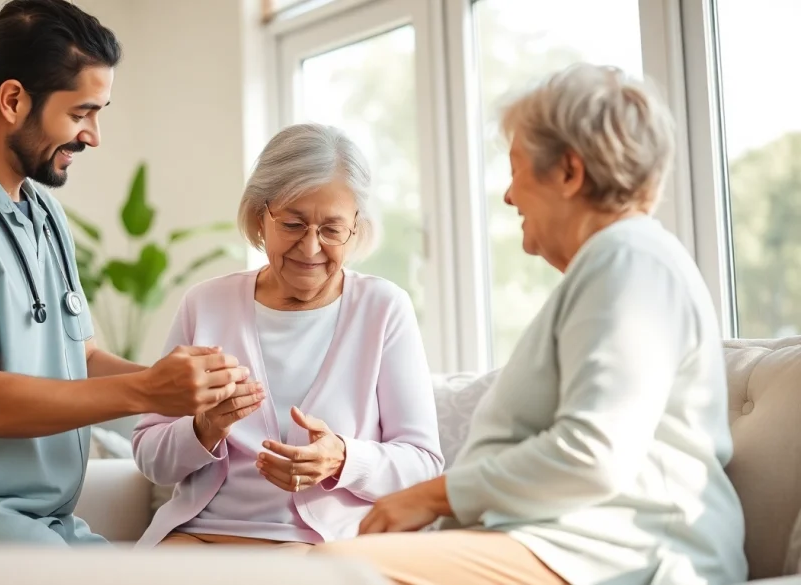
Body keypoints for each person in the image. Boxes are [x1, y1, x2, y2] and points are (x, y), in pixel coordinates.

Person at [314, 63, 748, 585]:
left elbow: (594, 453)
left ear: (568, 172)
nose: (508, 195)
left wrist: (430, 496)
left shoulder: (631, 258)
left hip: (625, 555)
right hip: (565, 544)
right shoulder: (614, 263)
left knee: (332, 572)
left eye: (516, 168)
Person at [0, 0, 248, 545]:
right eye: (81, 112)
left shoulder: (42, 213)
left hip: (39, 519)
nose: (93, 135)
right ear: (13, 99)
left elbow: (78, 359)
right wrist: (148, 391)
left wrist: (192, 386)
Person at [131, 123, 445, 550]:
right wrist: (202, 429)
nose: (311, 248)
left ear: (357, 227)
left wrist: (342, 458)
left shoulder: (383, 309)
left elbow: (423, 464)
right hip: (199, 537)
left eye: (332, 230)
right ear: (260, 216)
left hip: (316, 545)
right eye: (293, 223)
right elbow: (150, 454)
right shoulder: (206, 304)